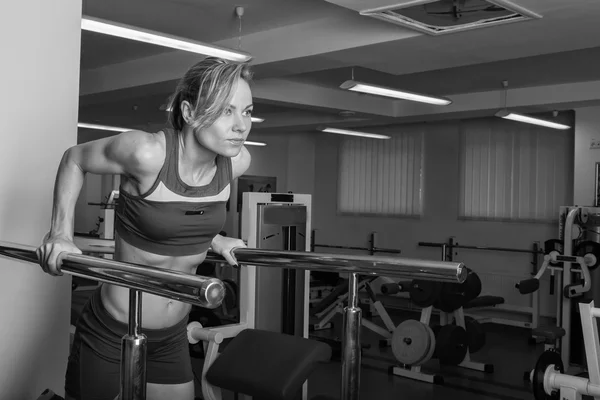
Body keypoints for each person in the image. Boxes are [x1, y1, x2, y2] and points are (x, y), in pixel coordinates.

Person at [36, 57, 254, 400]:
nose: (241, 125)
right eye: (226, 111)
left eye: (248, 111)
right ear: (189, 111)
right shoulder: (147, 153)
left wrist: (213, 237)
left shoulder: (237, 164)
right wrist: (60, 233)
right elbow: (74, 159)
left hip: (171, 338)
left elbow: (180, 214)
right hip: (112, 331)